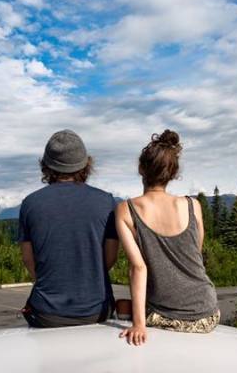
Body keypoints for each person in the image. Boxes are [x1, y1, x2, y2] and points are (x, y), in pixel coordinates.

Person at [115, 129, 220, 345]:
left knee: (121, 306)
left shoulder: (127, 210)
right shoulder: (194, 206)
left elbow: (138, 268)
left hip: (168, 316)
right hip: (209, 314)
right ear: (173, 173)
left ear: (141, 169)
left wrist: (138, 324)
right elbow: (194, 257)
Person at [18, 129, 120, 328]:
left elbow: (28, 260)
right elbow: (110, 258)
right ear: (85, 164)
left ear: (46, 165)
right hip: (96, 310)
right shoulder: (106, 202)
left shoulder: (30, 204)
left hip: (46, 312)